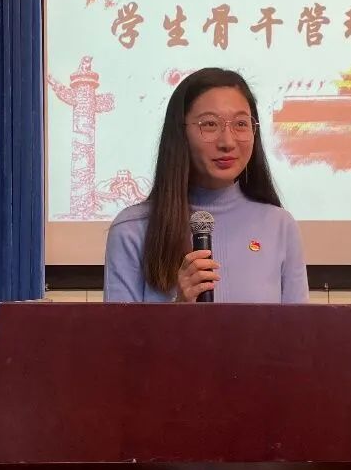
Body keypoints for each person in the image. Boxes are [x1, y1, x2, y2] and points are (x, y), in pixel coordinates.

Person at [103, 67, 309, 303]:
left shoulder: (280, 226)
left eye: (241, 124)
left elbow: (298, 327)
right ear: (180, 133)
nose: (227, 142)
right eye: (210, 124)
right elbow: (119, 329)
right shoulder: (132, 229)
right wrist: (178, 309)